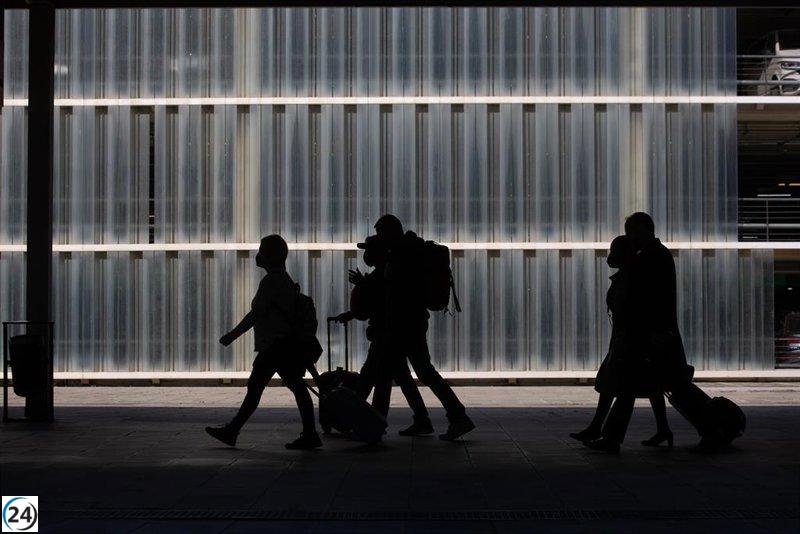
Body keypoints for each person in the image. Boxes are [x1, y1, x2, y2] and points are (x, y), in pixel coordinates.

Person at [205, 235, 323, 450]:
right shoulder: (285, 280)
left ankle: (233, 430)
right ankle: (309, 433)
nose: (257, 254)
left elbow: (255, 314)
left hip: (275, 346)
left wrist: (232, 335)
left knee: (259, 388)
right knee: (292, 387)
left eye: (261, 249)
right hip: (283, 345)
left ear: (269, 255)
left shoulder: (271, 281)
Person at [585, 213, 688, 454]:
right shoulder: (655, 255)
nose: (630, 237)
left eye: (632, 231)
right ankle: (659, 430)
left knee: (629, 386)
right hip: (650, 335)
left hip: (647, 336)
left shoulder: (651, 257)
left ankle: (610, 437)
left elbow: (644, 300)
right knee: (650, 385)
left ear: (644, 229)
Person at [373, 214, 475, 441]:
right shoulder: (408, 250)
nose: (379, 239)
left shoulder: (401, 255)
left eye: (381, 234)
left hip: (404, 324)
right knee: (422, 372)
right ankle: (450, 417)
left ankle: (375, 426)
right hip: (413, 322)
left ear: (390, 233)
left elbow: (398, 293)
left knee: (386, 372)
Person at [570, 235, 673, 447]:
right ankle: (661, 429)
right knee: (645, 384)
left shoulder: (632, 277)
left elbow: (632, 311)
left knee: (615, 385)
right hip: (628, 340)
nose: (609, 256)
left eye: (613, 251)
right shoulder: (630, 275)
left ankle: (605, 433)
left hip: (628, 341)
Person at [332, 234, 434, 436]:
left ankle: (366, 423)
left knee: (372, 377)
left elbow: (381, 302)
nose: (366, 254)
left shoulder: (386, 274)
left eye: (368, 250)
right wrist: (352, 313)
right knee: (399, 377)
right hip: (388, 334)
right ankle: (421, 419)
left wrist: (362, 284)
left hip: (385, 335)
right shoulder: (382, 273)